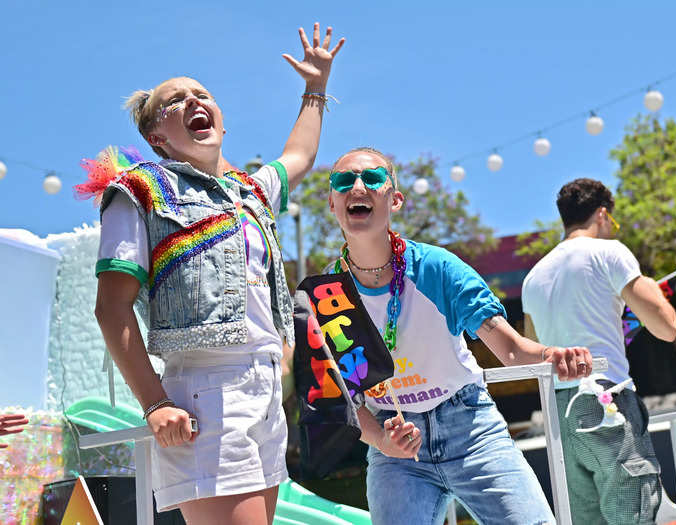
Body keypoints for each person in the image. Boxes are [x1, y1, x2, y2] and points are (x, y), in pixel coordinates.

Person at [80, 24, 344, 525]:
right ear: (157, 137)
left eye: (201, 94)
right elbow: (110, 308)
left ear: (221, 117)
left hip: (264, 391)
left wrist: (315, 89)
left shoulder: (249, 191)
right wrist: (154, 403)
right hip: (204, 394)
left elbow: (300, 156)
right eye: (174, 102)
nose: (192, 101)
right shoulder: (139, 191)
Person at [325, 147, 593, 525]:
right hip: (393, 447)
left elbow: (511, 349)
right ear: (332, 203)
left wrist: (553, 356)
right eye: (343, 180)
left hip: (470, 430)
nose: (357, 186)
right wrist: (382, 440)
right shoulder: (326, 294)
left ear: (395, 199)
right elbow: (344, 397)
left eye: (371, 179)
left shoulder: (437, 267)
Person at [521, 178, 676, 524]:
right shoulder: (610, 252)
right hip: (603, 397)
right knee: (632, 509)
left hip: (557, 411)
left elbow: (534, 350)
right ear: (603, 214)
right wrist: (649, 288)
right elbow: (667, 328)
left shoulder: (534, 276)